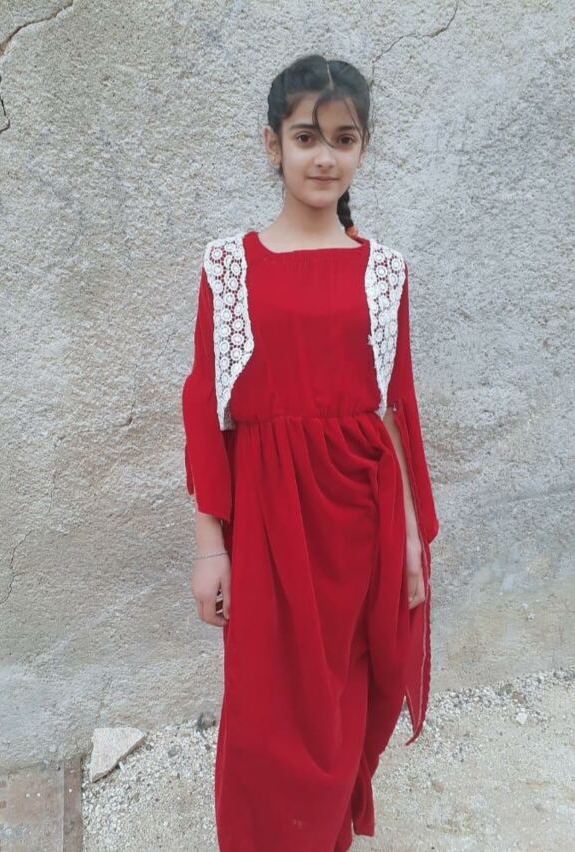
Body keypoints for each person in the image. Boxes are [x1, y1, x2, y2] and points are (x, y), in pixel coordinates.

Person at [181, 53, 440, 852]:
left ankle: (324, 836)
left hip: (359, 523)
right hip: (266, 521)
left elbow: (394, 413)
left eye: (343, 139)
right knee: (263, 706)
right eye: (305, 137)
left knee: (342, 701)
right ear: (272, 145)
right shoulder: (228, 267)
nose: (324, 157)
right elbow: (207, 410)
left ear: (363, 149)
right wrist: (210, 546)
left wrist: (409, 542)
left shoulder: (385, 272)